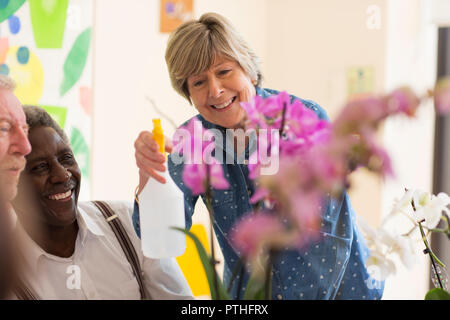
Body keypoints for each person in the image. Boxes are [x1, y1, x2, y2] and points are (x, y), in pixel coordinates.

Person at [133, 12, 384, 300]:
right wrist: (150, 177)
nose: (215, 90)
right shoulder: (190, 142)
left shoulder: (302, 120)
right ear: (188, 93)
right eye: (199, 82)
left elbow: (323, 242)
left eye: (224, 72)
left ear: (249, 70)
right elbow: (164, 238)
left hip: (339, 291)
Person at [11, 105, 193, 300]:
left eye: (66, 158)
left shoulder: (129, 222)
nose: (62, 175)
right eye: (40, 167)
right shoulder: (10, 273)